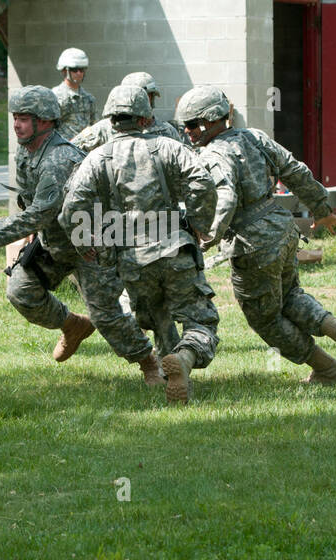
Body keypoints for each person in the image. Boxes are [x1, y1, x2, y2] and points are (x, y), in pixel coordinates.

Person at [0, 85, 164, 386]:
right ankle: (73, 326)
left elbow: (42, 212)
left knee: (107, 316)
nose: (16, 124)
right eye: (15, 117)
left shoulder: (59, 159)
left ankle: (149, 363)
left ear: (45, 121)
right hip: (55, 244)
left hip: (89, 244)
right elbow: (31, 204)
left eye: (24, 118)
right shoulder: (28, 154)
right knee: (20, 291)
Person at [178, 85, 336, 385]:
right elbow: (295, 170)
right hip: (282, 229)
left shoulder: (213, 156)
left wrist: (205, 238)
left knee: (266, 319)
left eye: (192, 125)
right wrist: (321, 210)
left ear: (208, 121)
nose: (187, 131)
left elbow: (227, 199)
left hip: (252, 245)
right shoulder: (254, 137)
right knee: (290, 296)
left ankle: (326, 368)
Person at [59, 85, 219, 404]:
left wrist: (83, 242)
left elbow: (71, 207)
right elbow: (203, 183)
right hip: (175, 245)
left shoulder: (97, 158)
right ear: (146, 119)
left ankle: (165, 370)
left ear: (111, 120)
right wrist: (201, 225)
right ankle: (184, 359)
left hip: (132, 257)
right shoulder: (169, 147)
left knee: (158, 318)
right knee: (200, 319)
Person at [71, 72, 186, 152]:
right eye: (140, 97)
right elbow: (72, 149)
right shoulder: (105, 128)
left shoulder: (167, 130)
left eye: (149, 96)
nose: (146, 101)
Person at [53, 47, 96, 139]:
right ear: (64, 70)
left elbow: (94, 125)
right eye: (75, 70)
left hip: (86, 149)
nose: (79, 73)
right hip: (63, 149)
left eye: (82, 70)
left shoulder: (89, 98)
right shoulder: (55, 97)